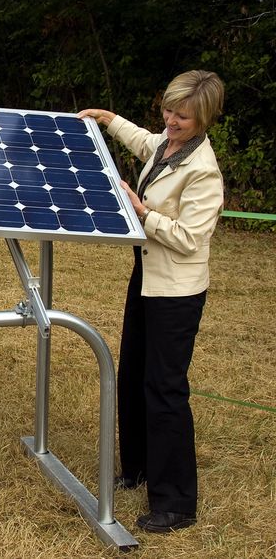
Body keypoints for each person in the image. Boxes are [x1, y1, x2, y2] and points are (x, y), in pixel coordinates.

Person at [78, 70, 225, 533]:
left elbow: (190, 238)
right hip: (147, 277)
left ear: (203, 119)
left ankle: (176, 503)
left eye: (182, 116)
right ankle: (137, 469)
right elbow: (147, 144)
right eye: (168, 110)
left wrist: (143, 213)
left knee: (165, 390)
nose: (170, 120)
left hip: (177, 291)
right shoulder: (168, 143)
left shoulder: (204, 172)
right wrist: (110, 120)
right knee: (134, 375)